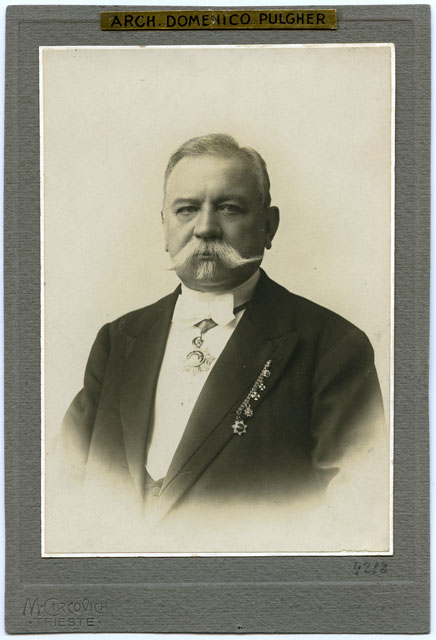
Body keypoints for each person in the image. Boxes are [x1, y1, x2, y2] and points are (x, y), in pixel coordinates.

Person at [60, 133, 387, 547]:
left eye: (229, 208)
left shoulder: (333, 347)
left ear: (269, 226)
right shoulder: (118, 340)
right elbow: (60, 484)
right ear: (164, 225)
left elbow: (358, 512)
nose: (205, 228)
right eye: (186, 209)